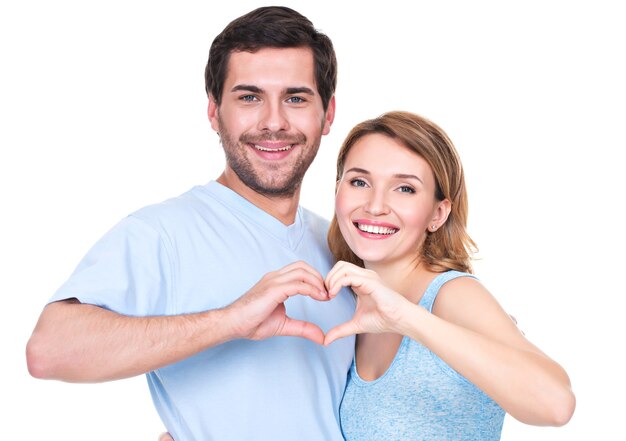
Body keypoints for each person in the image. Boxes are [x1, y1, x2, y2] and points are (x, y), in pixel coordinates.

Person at [25, 6, 355, 440]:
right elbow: (48, 351)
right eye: (249, 97)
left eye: (296, 97)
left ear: (327, 114)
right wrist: (231, 320)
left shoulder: (343, 245)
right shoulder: (162, 233)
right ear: (214, 111)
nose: (274, 122)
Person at [321, 110, 576, 439]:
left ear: (438, 213)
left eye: (405, 189)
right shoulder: (354, 302)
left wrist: (406, 317)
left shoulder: (452, 294)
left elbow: (556, 405)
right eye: (360, 182)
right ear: (337, 189)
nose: (375, 205)